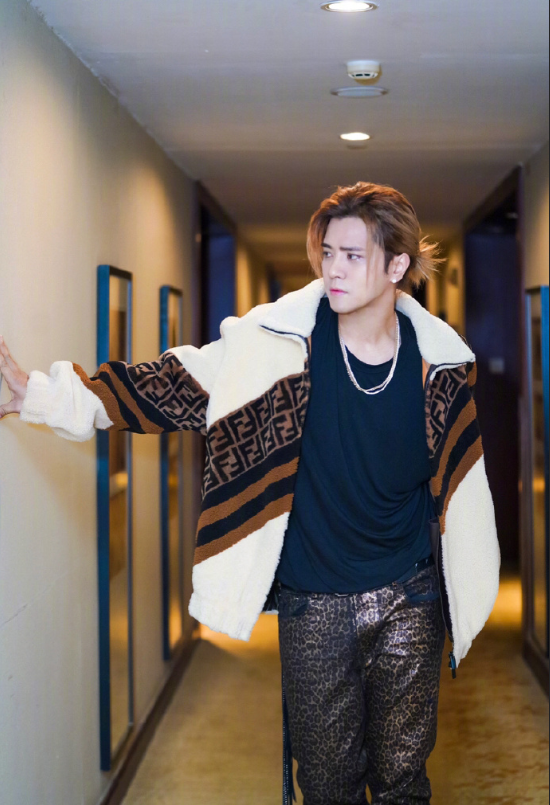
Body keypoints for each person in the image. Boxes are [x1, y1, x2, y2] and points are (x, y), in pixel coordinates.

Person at [0, 182, 500, 805]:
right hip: (314, 601)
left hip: (409, 596)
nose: (333, 269)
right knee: (327, 786)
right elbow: (166, 386)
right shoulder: (274, 350)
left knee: (404, 781)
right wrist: (41, 396)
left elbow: (460, 483)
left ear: (397, 266)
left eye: (353, 255)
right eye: (328, 252)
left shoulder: (438, 367)